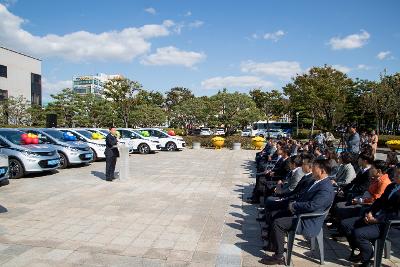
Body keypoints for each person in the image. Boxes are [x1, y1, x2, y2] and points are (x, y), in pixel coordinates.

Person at [260, 158, 335, 265]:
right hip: (301, 212)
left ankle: (279, 256)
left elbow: (313, 206)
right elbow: (303, 196)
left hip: (307, 219)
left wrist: (294, 205)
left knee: (278, 223)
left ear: (322, 171)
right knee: (274, 213)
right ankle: (274, 245)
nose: (312, 169)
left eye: (314, 167)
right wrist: (290, 202)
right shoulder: (316, 181)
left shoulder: (325, 188)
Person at [338, 165, 400, 267]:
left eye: (399, 174)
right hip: (375, 217)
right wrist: (370, 212)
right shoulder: (392, 186)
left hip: (388, 224)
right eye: (396, 173)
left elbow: (397, 215)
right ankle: (364, 251)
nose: (395, 175)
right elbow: (379, 201)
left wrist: (376, 219)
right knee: (346, 224)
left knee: (358, 234)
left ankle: (366, 260)